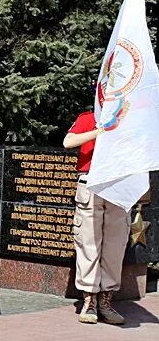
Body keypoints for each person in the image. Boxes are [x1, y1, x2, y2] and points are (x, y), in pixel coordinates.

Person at [63, 110, 127, 325]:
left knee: (114, 245)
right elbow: (68, 142)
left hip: (119, 182)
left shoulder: (130, 117)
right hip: (90, 182)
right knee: (89, 242)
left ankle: (106, 300)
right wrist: (100, 131)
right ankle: (89, 300)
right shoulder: (88, 117)